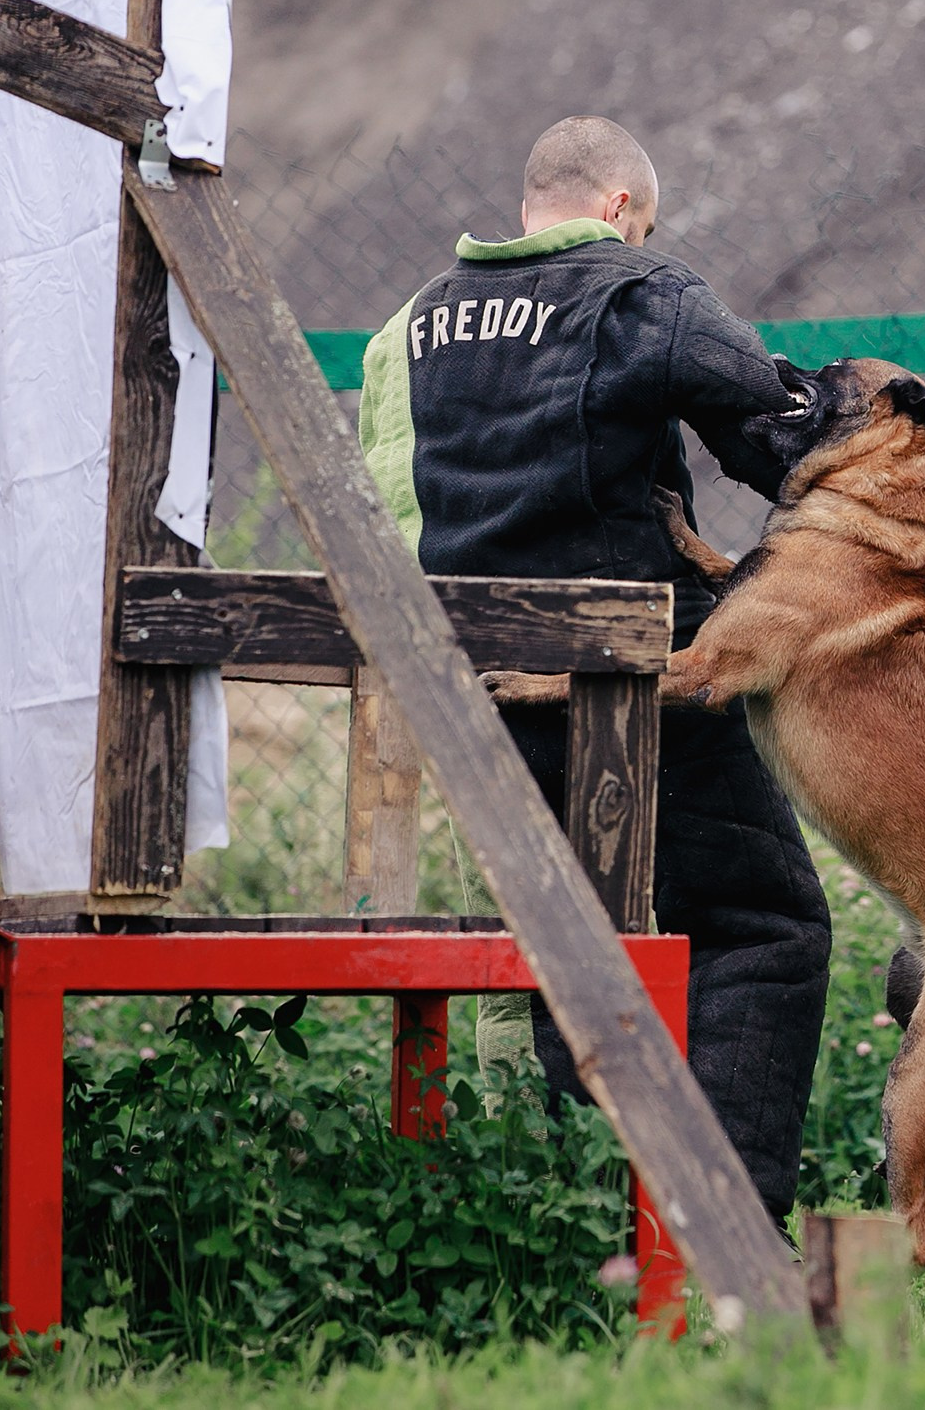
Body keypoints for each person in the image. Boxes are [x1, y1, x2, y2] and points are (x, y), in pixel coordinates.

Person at [356, 115, 836, 1226]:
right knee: (765, 928)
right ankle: (724, 1232)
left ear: (533, 202)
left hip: (474, 696)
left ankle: (580, 1228)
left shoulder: (406, 328)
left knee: (573, 937)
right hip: (635, 689)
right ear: (620, 209)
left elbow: (390, 513)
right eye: (645, 223)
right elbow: (776, 437)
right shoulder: (638, 292)